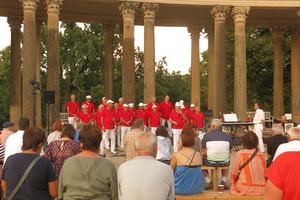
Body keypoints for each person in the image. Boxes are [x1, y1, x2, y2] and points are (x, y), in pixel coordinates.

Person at [59, 125, 117, 200]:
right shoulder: (108, 165)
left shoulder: (68, 163)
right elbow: (114, 194)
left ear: (81, 142)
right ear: (99, 142)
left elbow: (60, 192)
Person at [2, 127, 58, 199]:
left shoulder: (10, 160)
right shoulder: (45, 162)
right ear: (40, 144)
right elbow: (54, 192)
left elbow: (5, 188)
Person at [118, 133, 174, 200]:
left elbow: (120, 195)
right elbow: (170, 197)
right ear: (156, 148)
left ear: (135, 148)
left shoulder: (123, 168)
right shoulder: (166, 169)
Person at [230, 131, 266, 196]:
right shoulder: (262, 155)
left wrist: (232, 182)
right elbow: (264, 172)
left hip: (245, 188)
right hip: (261, 189)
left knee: (234, 185)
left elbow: (234, 173)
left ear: (244, 142)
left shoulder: (240, 153)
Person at [170, 130, 205, 195]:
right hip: (197, 189)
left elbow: (170, 171)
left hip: (180, 188)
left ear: (182, 141)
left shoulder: (175, 155)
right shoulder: (198, 155)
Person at [201, 118, 233, 190]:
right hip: (225, 162)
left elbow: (204, 151)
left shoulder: (206, 136)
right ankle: (224, 180)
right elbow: (230, 150)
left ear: (213, 126)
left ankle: (208, 181)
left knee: (201, 160)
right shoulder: (227, 136)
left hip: (211, 162)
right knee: (226, 157)